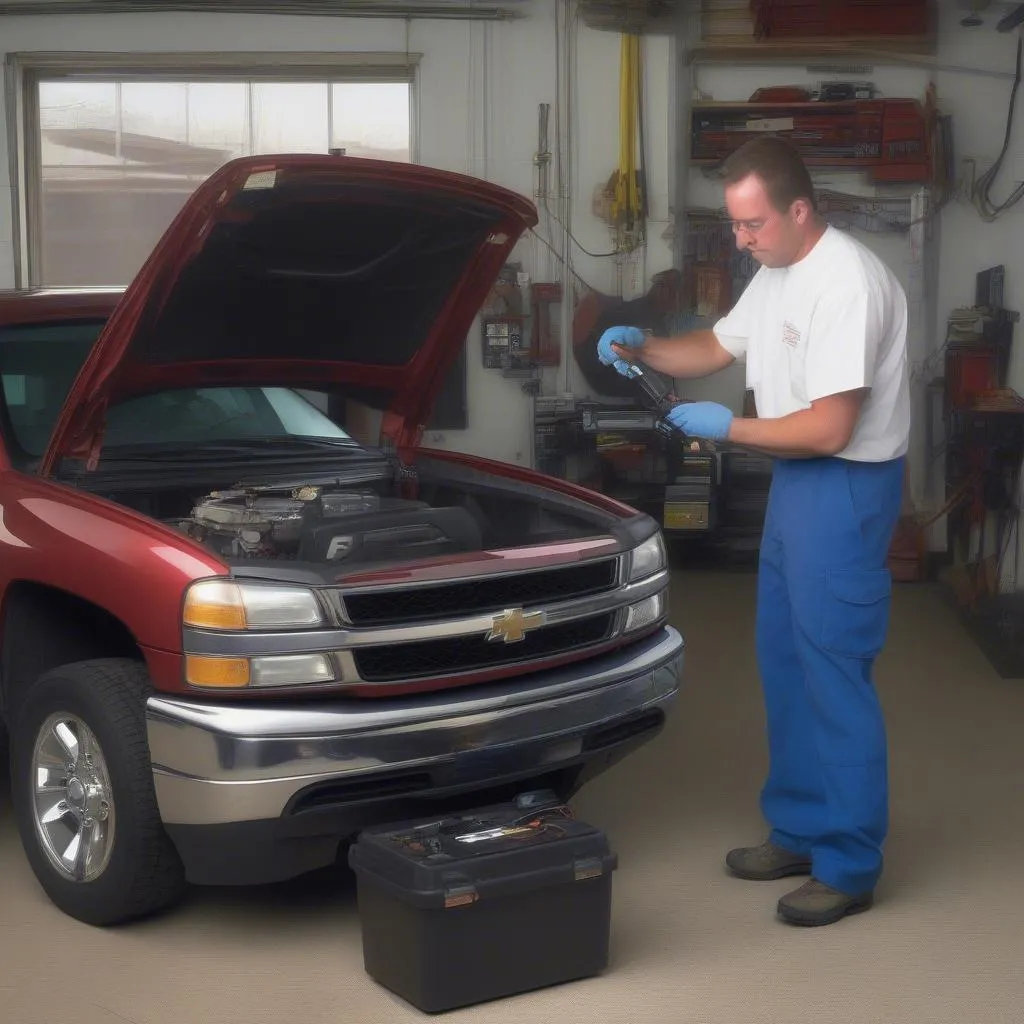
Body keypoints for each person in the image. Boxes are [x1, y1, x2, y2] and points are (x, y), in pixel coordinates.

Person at [597, 135, 910, 928]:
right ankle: (801, 829)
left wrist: (727, 427)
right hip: (797, 481)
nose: (739, 240)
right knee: (783, 659)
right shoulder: (776, 273)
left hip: (844, 482)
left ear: (799, 210)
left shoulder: (847, 283)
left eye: (751, 224)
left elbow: (833, 428)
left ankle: (848, 861)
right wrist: (641, 347)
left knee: (833, 670)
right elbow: (713, 345)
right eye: (735, 226)